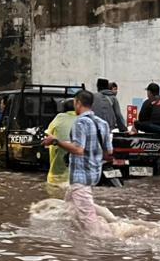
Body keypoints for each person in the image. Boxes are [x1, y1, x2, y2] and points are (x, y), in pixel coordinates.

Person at [41, 90, 113, 235]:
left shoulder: (80, 122)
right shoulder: (102, 123)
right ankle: (71, 239)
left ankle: (102, 247)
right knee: (69, 209)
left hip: (80, 178)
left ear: (78, 103)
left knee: (90, 227)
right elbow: (108, 152)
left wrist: (55, 141)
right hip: (93, 176)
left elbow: (78, 149)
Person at [44, 98, 78, 187]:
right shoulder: (83, 120)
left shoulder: (59, 117)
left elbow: (48, 134)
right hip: (78, 178)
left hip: (57, 175)